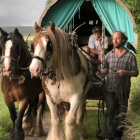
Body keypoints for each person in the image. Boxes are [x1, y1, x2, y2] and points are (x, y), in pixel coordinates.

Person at [101, 31, 139, 140]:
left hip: (123, 90)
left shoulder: (130, 56)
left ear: (123, 40)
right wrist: (104, 72)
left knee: (121, 113)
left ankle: (118, 136)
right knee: (110, 112)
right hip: (110, 89)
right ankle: (108, 136)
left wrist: (126, 72)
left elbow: (136, 72)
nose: (114, 41)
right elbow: (106, 68)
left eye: (117, 38)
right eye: (113, 39)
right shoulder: (108, 55)